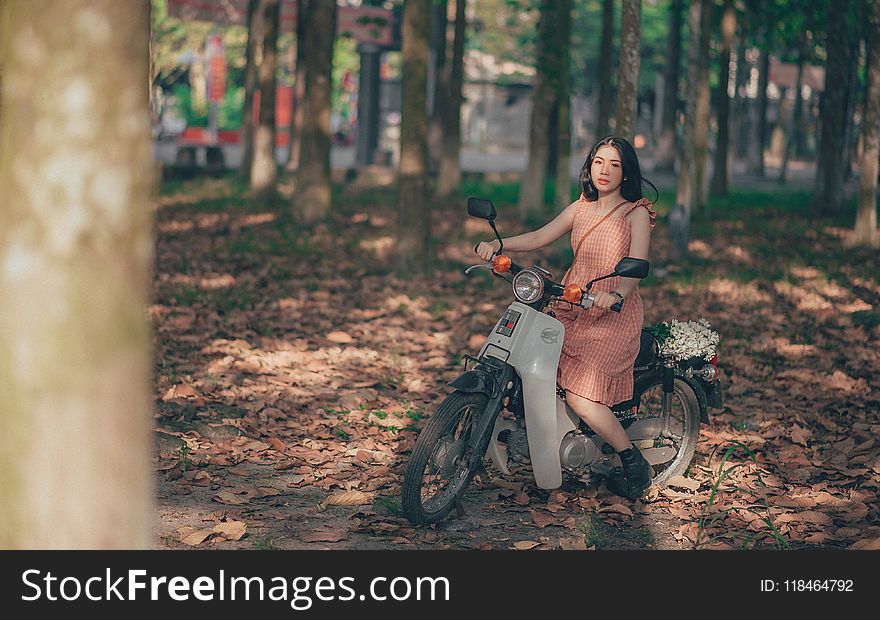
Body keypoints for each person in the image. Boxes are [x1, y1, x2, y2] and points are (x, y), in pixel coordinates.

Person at [475, 135, 657, 500]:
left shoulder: (636, 212)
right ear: (589, 166)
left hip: (611, 313)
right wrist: (500, 244)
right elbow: (541, 235)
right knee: (528, 362)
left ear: (626, 173)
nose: (605, 171)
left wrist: (616, 294)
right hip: (571, 303)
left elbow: (637, 267)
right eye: (599, 162)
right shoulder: (581, 207)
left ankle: (632, 460)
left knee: (579, 395)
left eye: (615, 165)